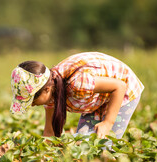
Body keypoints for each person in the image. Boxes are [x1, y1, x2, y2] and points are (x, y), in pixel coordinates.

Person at [10, 52, 144, 139]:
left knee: (104, 143)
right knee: (82, 141)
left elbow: (119, 86)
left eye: (32, 99)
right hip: (96, 99)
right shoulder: (51, 92)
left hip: (123, 90)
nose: (32, 104)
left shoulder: (78, 83)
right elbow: (49, 133)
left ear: (46, 89)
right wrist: (44, 154)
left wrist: (108, 123)